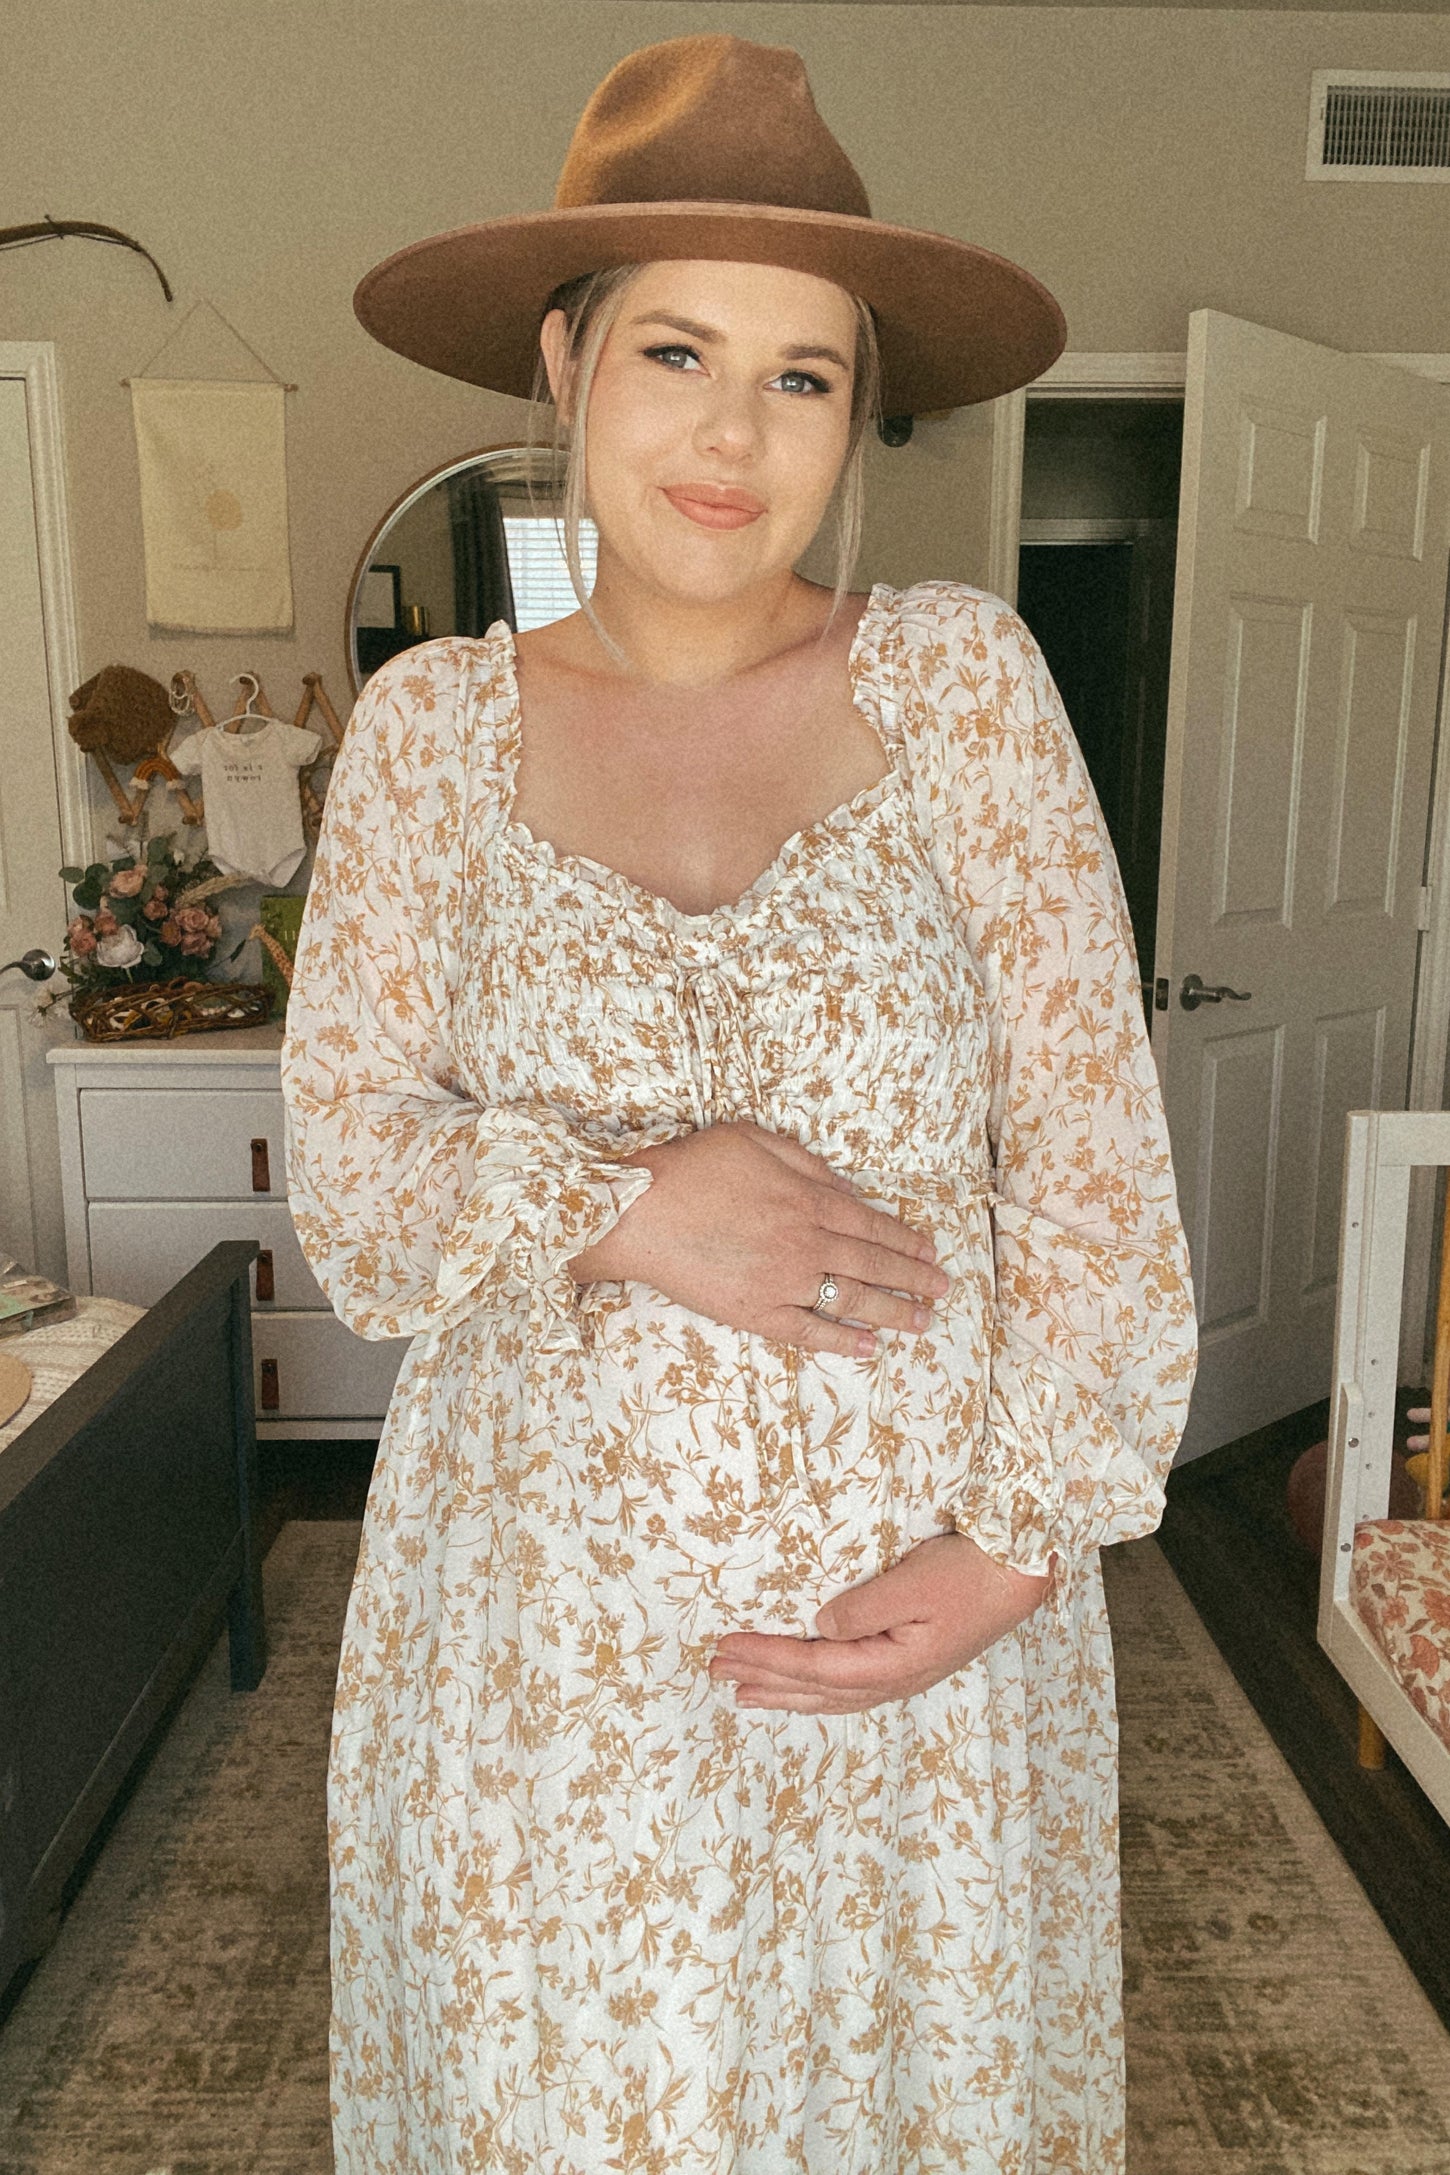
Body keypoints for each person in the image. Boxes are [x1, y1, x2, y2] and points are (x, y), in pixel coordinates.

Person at [281, 31, 1198, 2174]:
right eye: (675, 351)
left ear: (855, 414)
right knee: (572, 2108)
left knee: (899, 2100)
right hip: (544, 1647)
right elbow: (353, 1174)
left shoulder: (962, 687)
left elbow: (1092, 1152)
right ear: (565, 359)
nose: (730, 431)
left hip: (920, 1629)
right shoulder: (427, 731)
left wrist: (1010, 1549)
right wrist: (624, 1201)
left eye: (801, 375)